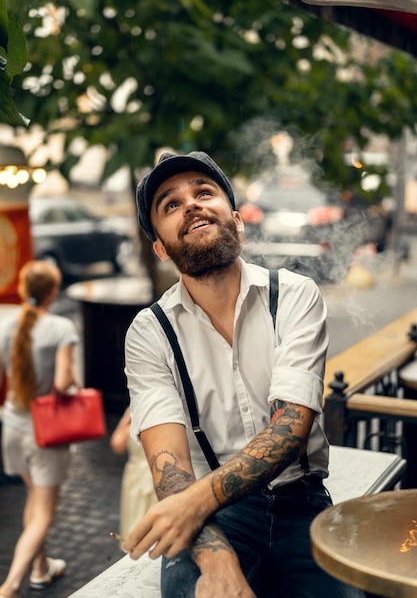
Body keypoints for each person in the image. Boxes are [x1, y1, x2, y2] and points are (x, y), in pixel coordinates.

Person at [123, 151, 365, 598]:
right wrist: (216, 555)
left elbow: (290, 427)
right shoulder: (148, 333)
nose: (191, 204)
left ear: (236, 219)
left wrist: (192, 502)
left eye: (203, 192)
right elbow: (170, 469)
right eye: (170, 205)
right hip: (215, 521)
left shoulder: (294, 296)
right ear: (159, 248)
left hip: (302, 504)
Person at [0, 260, 79, 597]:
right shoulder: (60, 328)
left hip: (12, 427)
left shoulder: (6, 326)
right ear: (52, 292)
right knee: (44, 513)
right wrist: (74, 384)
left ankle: (41, 568)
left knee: (34, 498)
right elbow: (62, 383)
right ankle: (10, 586)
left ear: (22, 288)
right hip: (45, 434)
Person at [110, 407, 157, 540]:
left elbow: (117, 443)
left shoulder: (136, 408)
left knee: (137, 527)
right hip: (143, 478)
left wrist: (126, 419)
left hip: (139, 478)